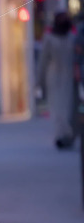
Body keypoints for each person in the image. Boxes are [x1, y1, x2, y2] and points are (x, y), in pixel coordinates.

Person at [37, 12, 76, 149]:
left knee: (68, 107)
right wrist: (39, 80)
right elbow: (43, 60)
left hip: (69, 76)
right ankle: (60, 135)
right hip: (54, 77)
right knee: (57, 107)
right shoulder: (49, 38)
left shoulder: (72, 37)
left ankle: (68, 135)